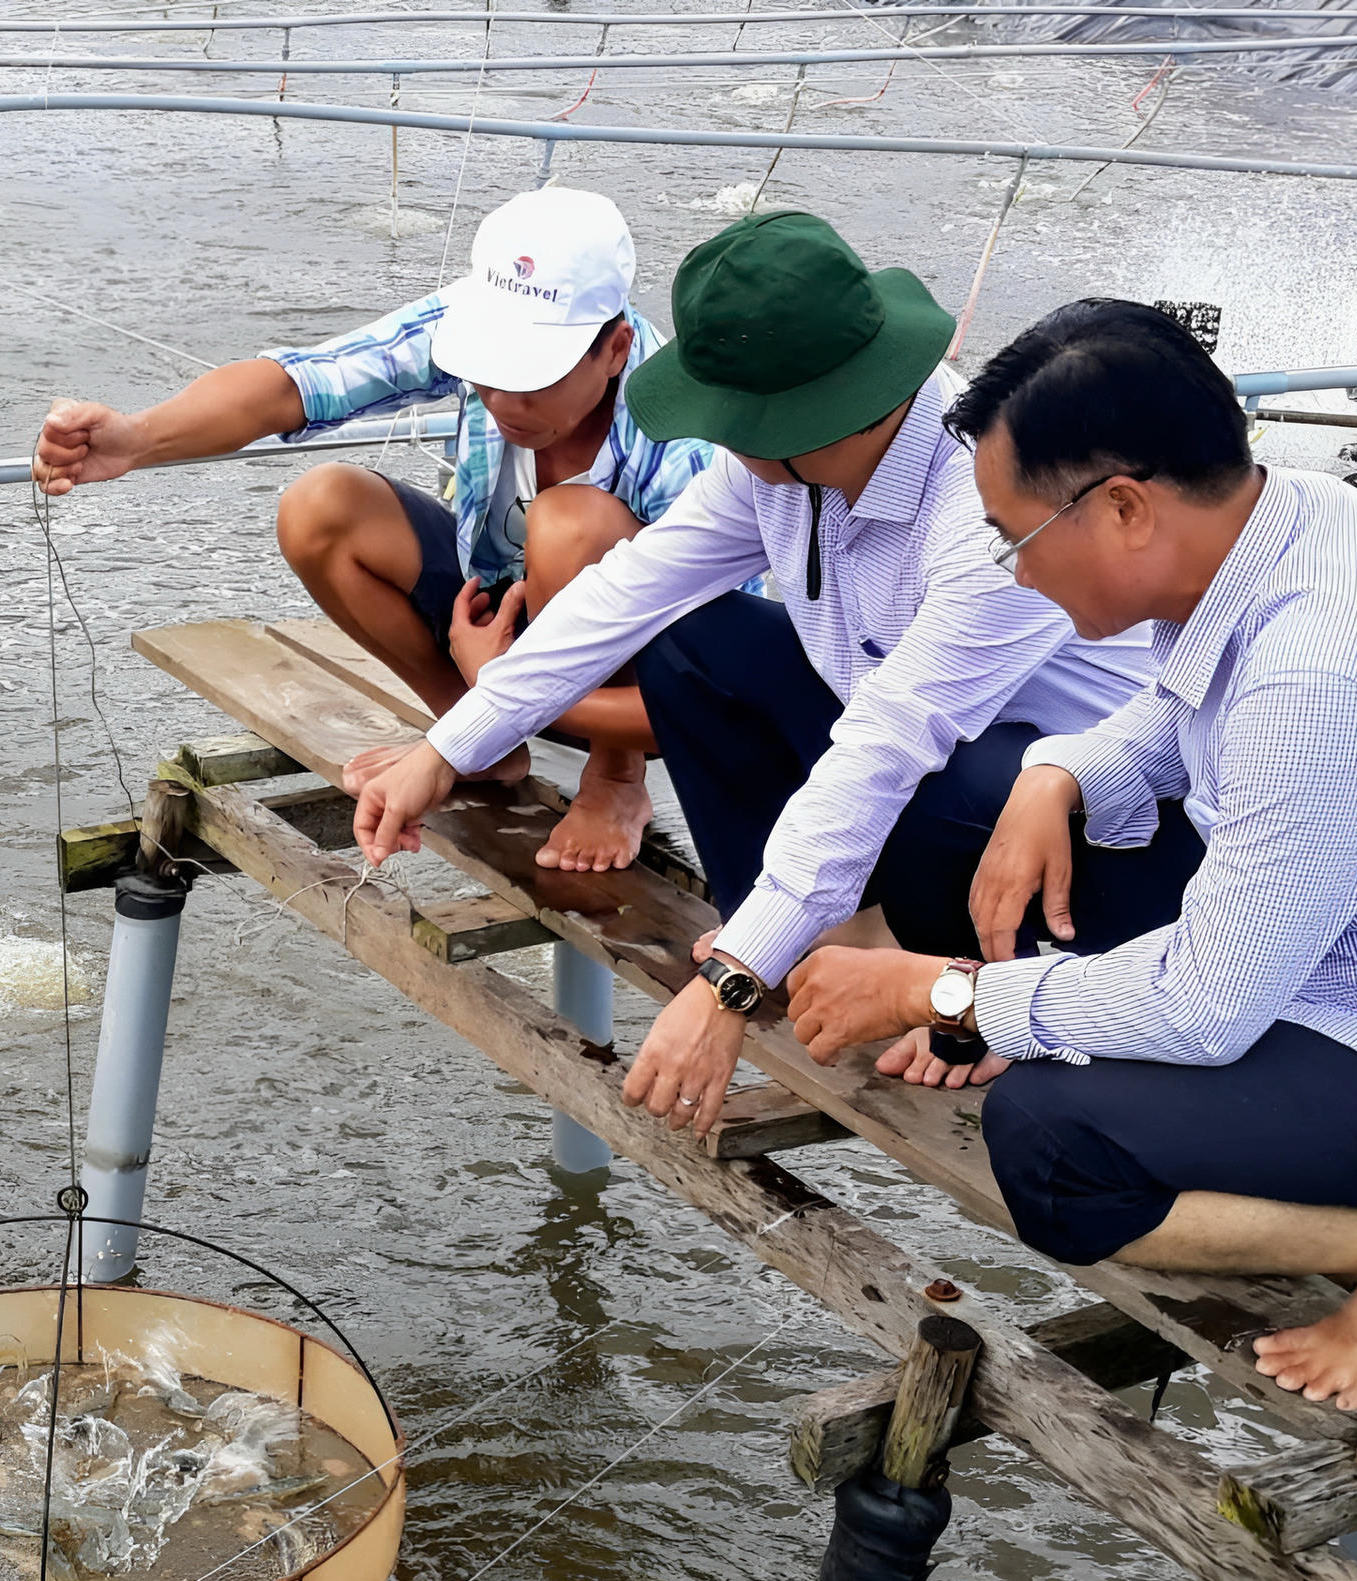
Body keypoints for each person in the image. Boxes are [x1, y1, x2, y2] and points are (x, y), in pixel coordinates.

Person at [782, 299, 1357, 1412]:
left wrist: (941, 990)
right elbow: (1174, 712)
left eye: (1014, 540)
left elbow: (1205, 1009)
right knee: (970, 808)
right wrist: (1058, 773)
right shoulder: (1288, 521)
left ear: (1123, 508)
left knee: (1054, 1147)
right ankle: (1031, 1007)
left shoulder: (1326, 678)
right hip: (1353, 972)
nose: (1012, 575)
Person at [353, 213, 1165, 1134]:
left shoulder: (988, 510)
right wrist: (445, 750)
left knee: (976, 774)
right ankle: (810, 930)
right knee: (695, 638)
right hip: (900, 754)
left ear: (800, 419)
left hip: (1083, 826)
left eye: (728, 420)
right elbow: (627, 592)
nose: (715, 440)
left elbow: (892, 740)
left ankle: (979, 982)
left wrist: (728, 983)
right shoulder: (782, 469)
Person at [31, 186, 717, 869]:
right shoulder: (476, 316)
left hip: (629, 683)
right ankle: (481, 740)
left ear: (616, 349)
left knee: (570, 523)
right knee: (321, 507)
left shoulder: (685, 443)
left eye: (533, 377)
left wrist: (501, 681)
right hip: (493, 616)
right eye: (488, 369)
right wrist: (138, 438)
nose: (503, 400)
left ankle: (615, 780)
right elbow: (301, 382)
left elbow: (713, 685)